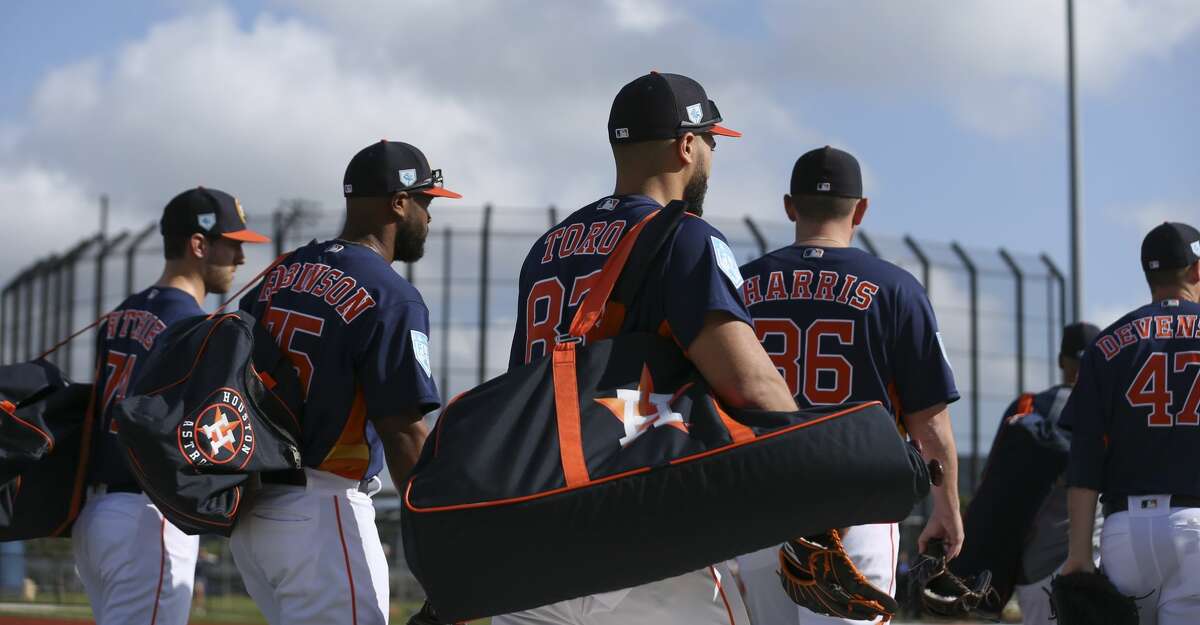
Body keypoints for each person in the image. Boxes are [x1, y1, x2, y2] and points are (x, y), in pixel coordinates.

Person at [496, 71, 797, 625]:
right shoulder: (686, 235)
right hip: (640, 524)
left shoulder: (548, 247)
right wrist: (816, 471)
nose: (710, 156)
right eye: (710, 143)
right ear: (687, 146)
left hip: (535, 524)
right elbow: (750, 382)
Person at [233, 140, 460, 625]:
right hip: (322, 509)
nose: (429, 216)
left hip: (254, 513)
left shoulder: (280, 272)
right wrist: (447, 537)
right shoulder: (392, 295)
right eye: (425, 201)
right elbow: (402, 430)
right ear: (398, 203)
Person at [734, 146, 962, 625]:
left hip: (759, 500)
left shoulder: (740, 284)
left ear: (789, 206)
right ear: (860, 210)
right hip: (857, 501)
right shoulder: (897, 288)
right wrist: (946, 508)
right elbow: (930, 422)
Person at [73, 187, 269, 625]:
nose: (240, 258)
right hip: (149, 516)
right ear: (198, 244)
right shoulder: (189, 323)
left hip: (98, 517)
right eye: (232, 244)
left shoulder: (123, 312)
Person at [1060, 221, 1200, 625]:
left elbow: (1084, 459)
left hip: (1124, 532)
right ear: (1196, 270)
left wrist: (1079, 555)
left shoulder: (1107, 343)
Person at [1002, 322, 1099, 625]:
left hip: (1038, 561)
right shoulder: (1110, 406)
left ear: (1061, 361)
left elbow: (1001, 486)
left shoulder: (1031, 407)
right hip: (1098, 555)